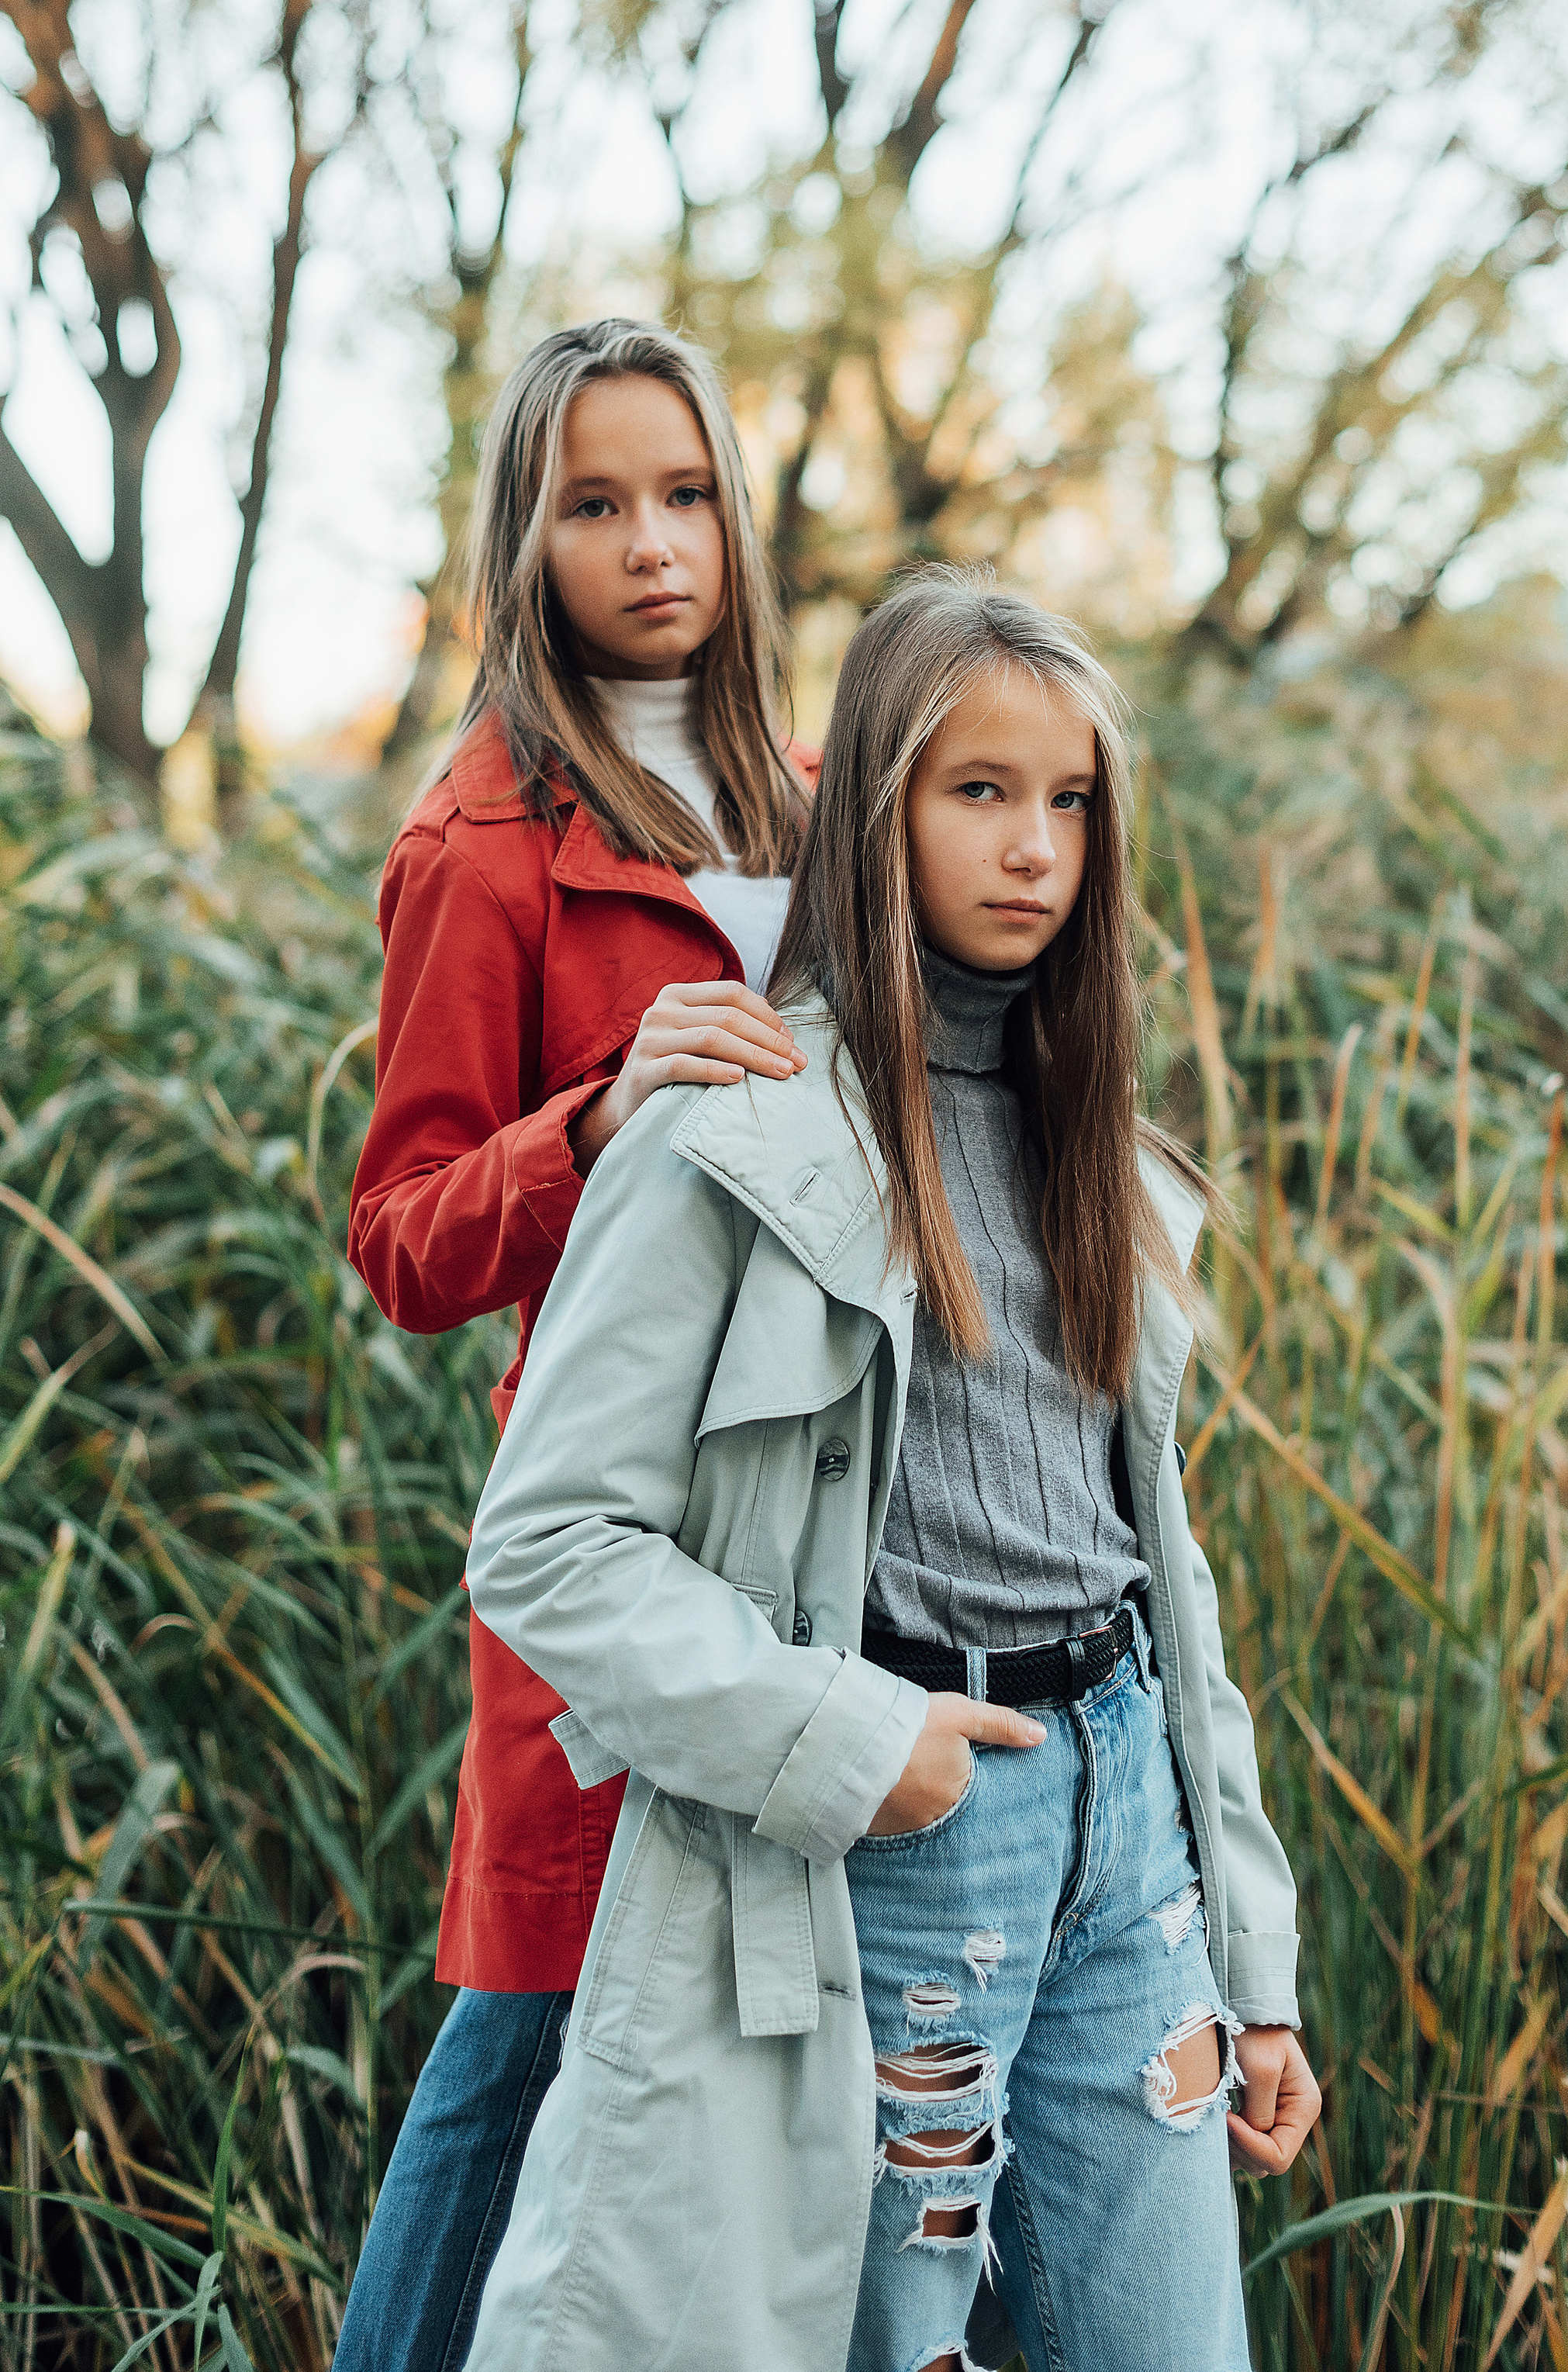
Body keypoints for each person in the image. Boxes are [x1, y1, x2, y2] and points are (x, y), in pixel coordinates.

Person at [457, 569, 1320, 2372]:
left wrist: (1253, 1963)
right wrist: (855, 1744)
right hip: (906, 1840)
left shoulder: (1105, 1157)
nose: (1033, 847)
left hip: (1130, 1846)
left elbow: (1163, 1573)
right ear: (875, 806)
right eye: (976, 790)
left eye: (1067, 799)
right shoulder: (734, 1127)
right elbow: (547, 1544)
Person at [337, 320, 816, 2372]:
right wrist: (596, 1117)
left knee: (796, 2034)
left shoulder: (830, 800)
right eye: (595, 504)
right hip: (606, 1517)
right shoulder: (483, 842)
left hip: (831, 1507)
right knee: (532, 2012)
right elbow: (400, 1239)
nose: (651, 545)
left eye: (685, 494)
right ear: (525, 540)